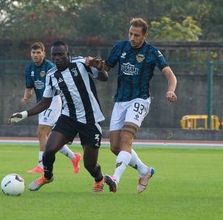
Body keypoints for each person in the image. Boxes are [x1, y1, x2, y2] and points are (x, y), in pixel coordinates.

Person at [87, 17, 177, 193]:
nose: (132, 38)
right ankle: (145, 171)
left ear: (145, 36)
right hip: (120, 100)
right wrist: (97, 64)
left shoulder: (152, 52)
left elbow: (170, 74)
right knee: (115, 147)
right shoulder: (120, 47)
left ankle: (115, 178)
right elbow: (107, 67)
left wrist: (171, 90)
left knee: (126, 140)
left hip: (139, 99)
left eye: (136, 35)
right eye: (130, 34)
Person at [9, 40, 109, 193]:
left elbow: (104, 77)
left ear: (67, 54)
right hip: (68, 118)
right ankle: (47, 176)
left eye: (60, 54)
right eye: (54, 55)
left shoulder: (82, 63)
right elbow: (45, 102)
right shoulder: (51, 75)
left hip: (90, 120)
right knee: (49, 149)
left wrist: (100, 68)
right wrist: (23, 114)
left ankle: (99, 179)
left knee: (90, 165)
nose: (57, 58)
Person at [21, 42, 81, 174]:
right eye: (33, 52)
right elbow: (29, 87)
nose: (36, 55)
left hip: (53, 101)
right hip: (40, 104)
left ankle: (41, 165)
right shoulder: (29, 68)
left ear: (43, 53)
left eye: (38, 52)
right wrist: (26, 97)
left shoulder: (50, 67)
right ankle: (74, 157)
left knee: (41, 132)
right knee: (50, 137)